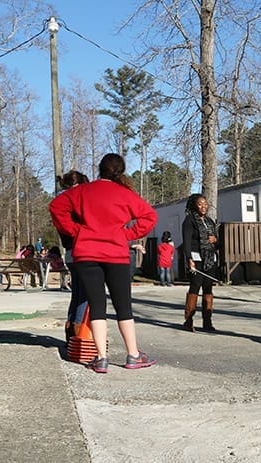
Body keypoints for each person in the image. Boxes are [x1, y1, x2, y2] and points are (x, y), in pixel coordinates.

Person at [49, 153, 158, 373]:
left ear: (100, 169)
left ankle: (101, 358)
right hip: (116, 254)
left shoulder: (81, 191)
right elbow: (150, 217)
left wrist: (75, 231)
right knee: (123, 306)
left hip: (86, 253)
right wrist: (127, 234)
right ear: (121, 171)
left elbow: (56, 208)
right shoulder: (124, 193)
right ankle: (133, 355)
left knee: (97, 305)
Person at [55, 169, 90, 341]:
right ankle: (79, 334)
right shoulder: (76, 205)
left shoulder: (61, 204)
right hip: (81, 251)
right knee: (85, 295)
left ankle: (70, 333)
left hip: (69, 253)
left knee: (76, 294)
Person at [182, 193, 219, 332]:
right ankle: (188, 320)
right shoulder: (189, 220)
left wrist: (215, 240)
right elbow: (186, 242)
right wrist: (189, 259)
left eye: (205, 204)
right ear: (194, 205)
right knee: (195, 287)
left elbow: (217, 241)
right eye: (200, 204)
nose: (203, 207)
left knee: (208, 289)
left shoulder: (210, 221)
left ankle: (207, 322)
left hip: (210, 258)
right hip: (196, 257)